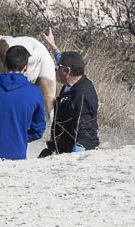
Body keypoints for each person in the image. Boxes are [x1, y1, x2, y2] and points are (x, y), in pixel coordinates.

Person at [0, 45, 47, 161]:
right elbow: (38, 129)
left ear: (4, 64)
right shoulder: (35, 92)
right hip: (17, 156)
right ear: (26, 67)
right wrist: (21, 136)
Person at [39, 28, 99, 157]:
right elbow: (64, 61)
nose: (54, 69)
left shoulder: (81, 95)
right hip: (58, 147)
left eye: (57, 67)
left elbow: (84, 128)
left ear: (67, 71)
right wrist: (53, 45)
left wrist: (75, 155)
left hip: (73, 151)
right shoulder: (72, 82)